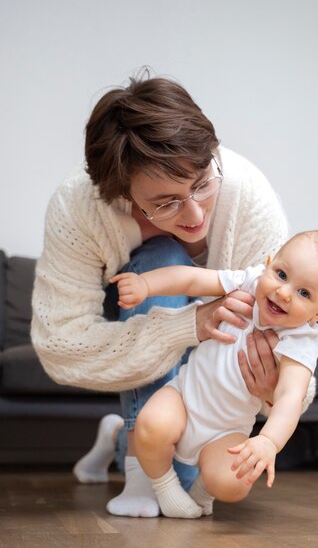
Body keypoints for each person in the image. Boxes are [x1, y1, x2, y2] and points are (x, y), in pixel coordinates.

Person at [31, 71, 289, 517]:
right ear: (122, 193)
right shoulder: (78, 208)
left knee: (193, 477)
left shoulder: (250, 200)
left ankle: (120, 435)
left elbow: (292, 341)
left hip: (218, 360)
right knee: (162, 254)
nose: (194, 214)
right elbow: (59, 348)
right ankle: (135, 459)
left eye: (202, 184)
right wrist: (186, 327)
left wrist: (274, 389)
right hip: (139, 312)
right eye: (166, 201)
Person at [110, 230, 318, 518]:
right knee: (149, 424)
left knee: (235, 483)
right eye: (282, 274)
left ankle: (202, 491)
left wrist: (268, 441)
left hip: (227, 431)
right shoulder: (249, 283)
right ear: (269, 263)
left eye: (304, 293)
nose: (283, 292)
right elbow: (192, 278)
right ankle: (166, 488)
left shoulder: (303, 339)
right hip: (184, 400)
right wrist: (146, 284)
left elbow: (290, 397)